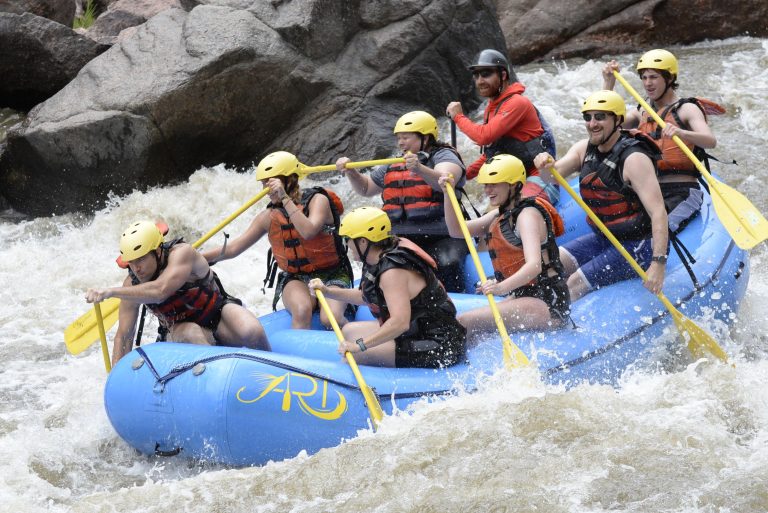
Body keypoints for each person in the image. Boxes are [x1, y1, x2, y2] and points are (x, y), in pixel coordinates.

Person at [534, 90, 668, 301]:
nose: (592, 123)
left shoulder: (634, 158)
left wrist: (658, 264)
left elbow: (658, 211)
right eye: (588, 117)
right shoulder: (583, 149)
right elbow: (552, 176)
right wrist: (544, 164)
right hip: (605, 237)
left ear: (618, 120)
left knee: (573, 283)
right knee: (546, 265)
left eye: (600, 117)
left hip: (638, 244)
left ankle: (556, 318)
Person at [201, 151, 353, 330]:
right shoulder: (268, 216)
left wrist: (284, 197)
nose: (266, 189)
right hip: (297, 278)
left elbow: (308, 231)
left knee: (330, 318)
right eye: (263, 183)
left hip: (333, 273)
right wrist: (196, 257)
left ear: (289, 180)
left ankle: (354, 336)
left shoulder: (318, 201)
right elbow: (234, 248)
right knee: (302, 310)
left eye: (270, 182)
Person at [85, 220, 270, 367]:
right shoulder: (131, 285)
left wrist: (111, 292)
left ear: (158, 251)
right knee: (192, 332)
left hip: (218, 316)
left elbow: (160, 290)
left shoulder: (182, 254)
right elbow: (124, 335)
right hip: (179, 333)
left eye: (141, 259)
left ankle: (274, 373)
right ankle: (219, 378)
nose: (136, 268)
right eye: (131, 262)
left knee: (252, 331)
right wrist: (116, 377)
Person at [309, 207, 467, 368]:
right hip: (416, 331)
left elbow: (400, 323)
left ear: (363, 241)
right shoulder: (377, 257)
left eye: (348, 239)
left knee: (355, 355)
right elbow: (365, 296)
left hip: (439, 344)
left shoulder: (392, 273)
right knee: (349, 331)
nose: (347, 245)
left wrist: (360, 346)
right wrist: (328, 291)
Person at [439, 154, 570, 340]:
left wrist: (500, 288)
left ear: (514, 185)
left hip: (547, 303)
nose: (488, 190)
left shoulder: (527, 215)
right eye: (486, 185)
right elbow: (456, 230)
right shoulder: (500, 215)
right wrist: (447, 193)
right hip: (525, 296)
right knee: (474, 331)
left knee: (464, 321)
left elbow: (534, 265)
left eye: (494, 184)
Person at [336, 110, 468, 292]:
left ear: (425, 138)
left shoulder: (443, 155)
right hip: (400, 237)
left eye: (406, 137)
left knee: (447, 262)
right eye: (398, 138)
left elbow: (446, 179)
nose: (400, 143)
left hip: (441, 235)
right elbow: (366, 188)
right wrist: (352, 172)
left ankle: (452, 298)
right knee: (375, 259)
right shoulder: (395, 163)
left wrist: (420, 169)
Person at [601, 49, 717, 233]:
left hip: (682, 192)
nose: (648, 83)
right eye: (644, 77)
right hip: (649, 191)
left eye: (654, 77)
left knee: (657, 232)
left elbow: (710, 141)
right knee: (620, 229)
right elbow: (604, 125)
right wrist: (609, 83)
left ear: (669, 78)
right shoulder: (641, 112)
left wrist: (681, 133)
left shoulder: (686, 109)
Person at [445, 48, 559, 206]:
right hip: (517, 180)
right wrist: (463, 175)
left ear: (503, 75)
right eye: (476, 75)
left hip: (541, 177)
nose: (479, 81)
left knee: (511, 211)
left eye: (486, 74)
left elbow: (484, 136)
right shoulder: (492, 108)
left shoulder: (517, 103)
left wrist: (458, 116)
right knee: (489, 215)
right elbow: (492, 153)